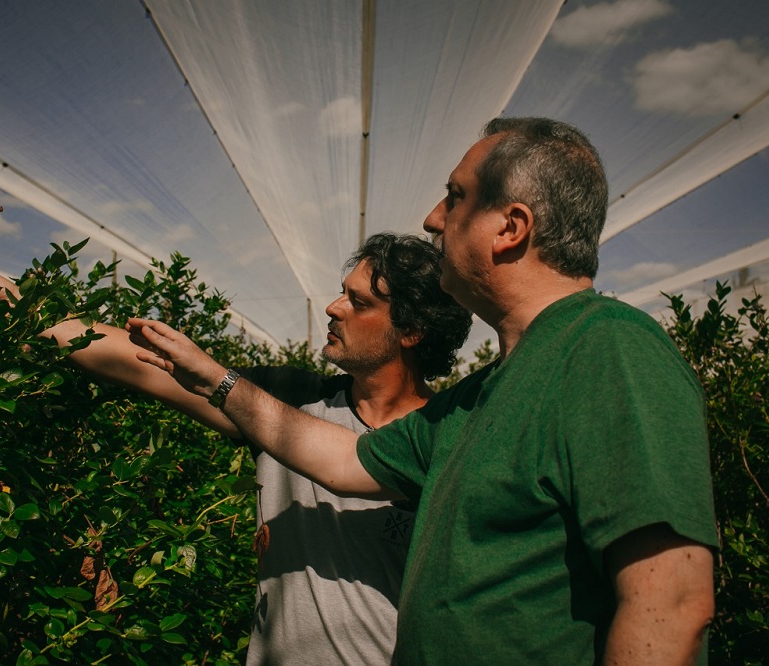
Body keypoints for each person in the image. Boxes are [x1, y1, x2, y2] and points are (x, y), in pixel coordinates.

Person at [128, 117, 718, 664]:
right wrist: (217, 379)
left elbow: (670, 607)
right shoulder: (476, 398)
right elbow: (342, 458)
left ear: (511, 228)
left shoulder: (606, 347)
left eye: (456, 197)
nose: (435, 218)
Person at [0, 232, 472, 665]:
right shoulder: (287, 402)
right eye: (341, 291)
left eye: (358, 302)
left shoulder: (448, 440)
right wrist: (23, 314)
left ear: (412, 332)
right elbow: (137, 363)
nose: (333, 308)